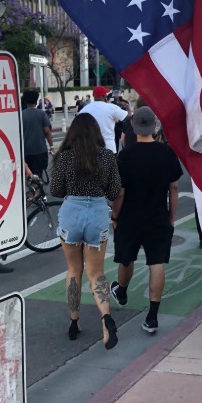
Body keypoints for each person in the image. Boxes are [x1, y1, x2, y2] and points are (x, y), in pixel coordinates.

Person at [50, 113, 124, 348]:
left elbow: (56, 191)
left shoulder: (64, 157)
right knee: (97, 273)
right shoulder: (107, 157)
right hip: (97, 215)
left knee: (74, 270)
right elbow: (114, 191)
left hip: (72, 211)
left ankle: (74, 321)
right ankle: (106, 320)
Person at [109, 107, 182, 334]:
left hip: (130, 217)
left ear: (132, 126)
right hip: (157, 216)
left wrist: (115, 216)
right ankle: (152, 317)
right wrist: (171, 216)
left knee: (126, 258)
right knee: (156, 263)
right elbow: (174, 186)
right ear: (155, 126)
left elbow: (119, 192)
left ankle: (121, 290)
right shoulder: (166, 153)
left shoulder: (125, 156)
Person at [80, 86, 129, 153]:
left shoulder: (84, 109)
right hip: (108, 148)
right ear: (104, 96)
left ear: (93, 95)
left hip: (90, 148)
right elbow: (128, 116)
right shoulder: (111, 107)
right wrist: (126, 106)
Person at [21, 89, 54, 179]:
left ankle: (32, 191)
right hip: (40, 150)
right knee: (38, 174)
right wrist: (51, 146)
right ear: (36, 101)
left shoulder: (21, 115)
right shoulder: (41, 114)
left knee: (28, 174)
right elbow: (47, 131)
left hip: (25, 151)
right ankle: (38, 191)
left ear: (25, 101)